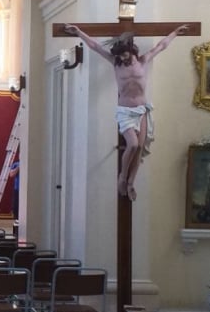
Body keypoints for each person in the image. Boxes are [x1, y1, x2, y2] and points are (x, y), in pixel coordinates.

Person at [64, 22, 188, 201]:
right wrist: (79, 33)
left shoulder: (143, 60)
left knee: (139, 150)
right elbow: (95, 46)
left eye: (124, 54)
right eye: (119, 55)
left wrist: (175, 33)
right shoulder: (115, 63)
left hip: (142, 110)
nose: (122, 57)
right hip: (125, 110)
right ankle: (122, 177)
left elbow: (161, 46)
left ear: (131, 51)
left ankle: (131, 183)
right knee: (133, 145)